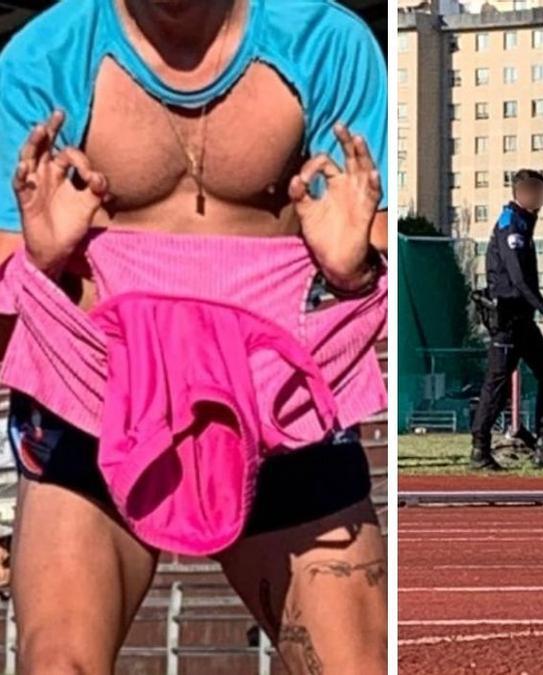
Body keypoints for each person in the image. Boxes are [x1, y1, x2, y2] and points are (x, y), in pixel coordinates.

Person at [0, 1, 388, 672]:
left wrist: (353, 267)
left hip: (280, 409)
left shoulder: (325, 42)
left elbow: (373, 254)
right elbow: (10, 285)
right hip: (97, 401)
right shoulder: (45, 56)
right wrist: (37, 258)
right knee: (57, 664)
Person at [470, 169, 543, 470]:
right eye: (538, 194)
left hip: (521, 318)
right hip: (508, 317)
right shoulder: (511, 226)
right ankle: (480, 449)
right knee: (497, 383)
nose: (542, 202)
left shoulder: (522, 223)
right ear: (523, 193)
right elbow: (517, 278)